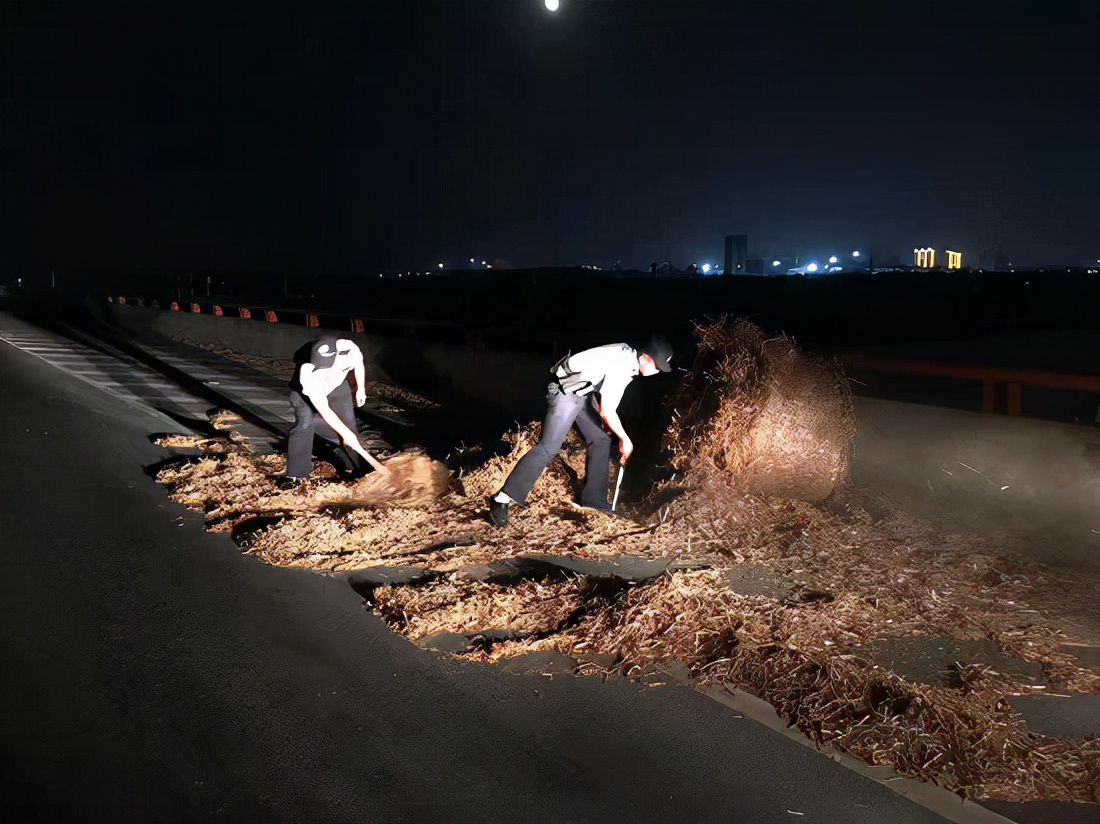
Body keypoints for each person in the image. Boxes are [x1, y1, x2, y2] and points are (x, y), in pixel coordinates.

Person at [488, 335, 673, 526]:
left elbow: (601, 398)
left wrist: (614, 430)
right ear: (645, 358)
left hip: (580, 392)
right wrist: (625, 439)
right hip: (564, 391)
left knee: (600, 439)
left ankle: (595, 503)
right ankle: (501, 498)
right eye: (657, 366)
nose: (657, 372)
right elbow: (607, 411)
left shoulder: (629, 355)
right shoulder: (623, 366)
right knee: (549, 447)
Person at [279, 333, 388, 490]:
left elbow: (358, 364)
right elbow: (325, 411)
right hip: (304, 393)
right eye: (320, 369)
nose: (322, 372)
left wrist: (361, 390)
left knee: (349, 424)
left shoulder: (348, 351)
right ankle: (295, 474)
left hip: (337, 387)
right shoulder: (307, 373)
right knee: (304, 425)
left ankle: (359, 468)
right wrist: (346, 436)